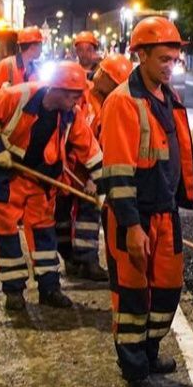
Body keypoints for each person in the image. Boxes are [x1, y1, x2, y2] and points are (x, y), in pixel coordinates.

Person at [98, 16, 193, 387]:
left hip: (165, 212)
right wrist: (130, 226)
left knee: (167, 289)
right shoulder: (122, 103)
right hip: (135, 215)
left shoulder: (167, 97)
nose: (170, 65)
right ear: (139, 55)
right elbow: (118, 173)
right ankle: (135, 374)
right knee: (131, 296)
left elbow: (180, 144)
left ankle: (149, 350)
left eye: (174, 58)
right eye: (163, 57)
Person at [0, 62, 102, 312]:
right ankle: (14, 292)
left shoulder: (70, 115)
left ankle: (49, 288)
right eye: (74, 95)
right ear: (57, 89)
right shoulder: (19, 96)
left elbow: (91, 151)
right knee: (7, 233)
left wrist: (96, 182)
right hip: (8, 176)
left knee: (44, 232)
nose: (78, 101)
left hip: (42, 180)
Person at [55, 53, 134, 280]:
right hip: (65, 167)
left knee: (89, 214)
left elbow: (106, 143)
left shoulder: (113, 104)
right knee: (59, 217)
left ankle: (87, 260)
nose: (98, 76)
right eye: (101, 72)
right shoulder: (81, 92)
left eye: (105, 75)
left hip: (91, 168)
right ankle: (70, 258)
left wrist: (93, 177)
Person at [0, 26, 43, 97]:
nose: (41, 50)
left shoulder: (36, 69)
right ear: (32, 47)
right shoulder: (6, 65)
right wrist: (2, 93)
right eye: (40, 45)